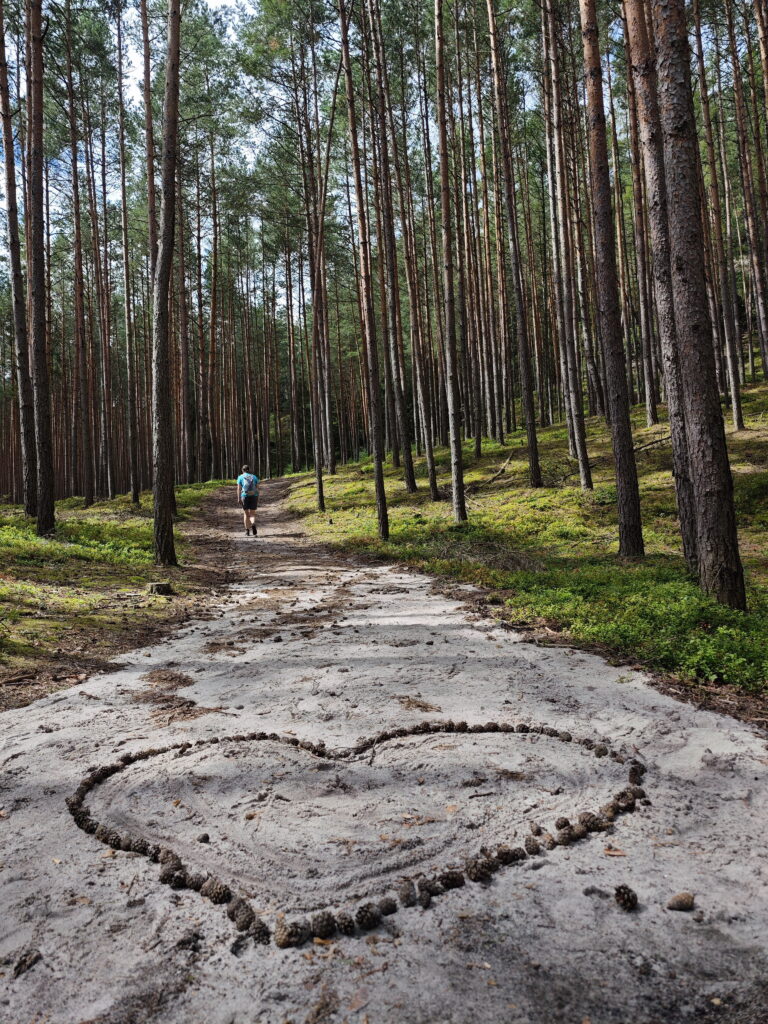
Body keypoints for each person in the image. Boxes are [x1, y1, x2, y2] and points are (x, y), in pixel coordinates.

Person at [236, 465, 260, 536]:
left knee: (246, 514)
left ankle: (247, 531)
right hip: (253, 496)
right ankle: (253, 524)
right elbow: (257, 489)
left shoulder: (240, 477)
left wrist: (238, 498)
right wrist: (257, 498)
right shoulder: (254, 477)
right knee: (252, 514)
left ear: (242, 470)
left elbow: (239, 489)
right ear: (249, 470)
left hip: (245, 496)